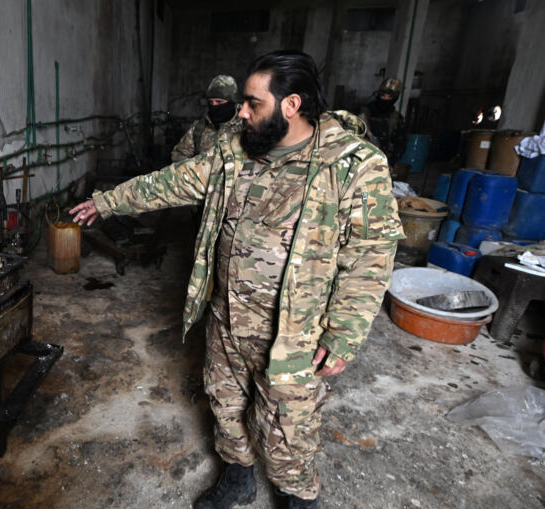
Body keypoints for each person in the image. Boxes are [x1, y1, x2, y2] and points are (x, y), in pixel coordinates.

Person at [70, 51, 403, 509]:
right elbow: (172, 181)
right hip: (227, 318)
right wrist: (108, 203)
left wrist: (344, 333)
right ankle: (237, 476)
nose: (241, 112)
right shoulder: (235, 150)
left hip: (293, 336)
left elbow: (371, 254)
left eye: (252, 103)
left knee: (288, 431)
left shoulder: (352, 165)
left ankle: (295, 497)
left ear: (291, 105)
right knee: (225, 407)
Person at [172, 74, 243, 162]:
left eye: (219, 102)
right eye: (211, 102)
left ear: (232, 102)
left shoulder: (247, 126)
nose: (214, 106)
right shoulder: (199, 127)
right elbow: (179, 155)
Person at [359, 78, 407, 165]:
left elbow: (400, 144)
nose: (385, 99)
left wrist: (391, 163)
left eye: (389, 97)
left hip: (382, 160)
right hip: (361, 156)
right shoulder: (365, 112)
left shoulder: (396, 118)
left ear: (395, 98)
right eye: (383, 95)